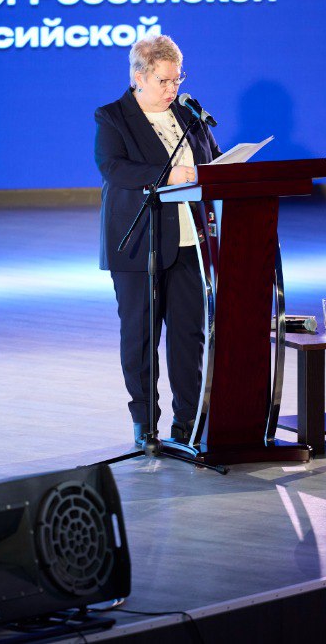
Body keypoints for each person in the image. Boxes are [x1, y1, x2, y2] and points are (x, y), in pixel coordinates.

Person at [95, 35, 221, 448]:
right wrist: (167, 176)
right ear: (139, 77)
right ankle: (145, 423)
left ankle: (189, 424)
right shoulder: (113, 117)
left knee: (189, 335)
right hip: (139, 243)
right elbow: (113, 168)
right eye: (164, 81)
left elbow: (212, 159)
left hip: (190, 242)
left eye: (177, 79)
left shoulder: (188, 114)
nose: (173, 89)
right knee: (141, 335)